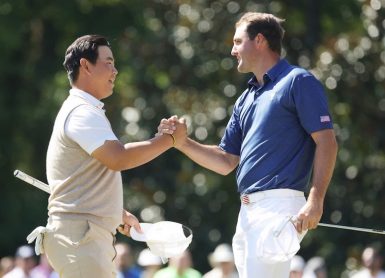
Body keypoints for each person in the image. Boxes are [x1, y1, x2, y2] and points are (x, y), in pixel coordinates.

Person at [157, 12, 338, 278]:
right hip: (248, 211)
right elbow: (226, 161)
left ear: (260, 40)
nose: (232, 50)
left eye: (238, 41)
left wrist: (316, 199)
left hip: (278, 205)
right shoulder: (246, 97)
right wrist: (181, 143)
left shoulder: (298, 81)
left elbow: (327, 143)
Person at [26, 34, 186, 278]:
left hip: (84, 237)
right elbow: (118, 158)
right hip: (81, 239)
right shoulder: (81, 112)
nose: (115, 70)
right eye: (108, 62)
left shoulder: (86, 110)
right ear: (86, 66)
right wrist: (169, 140)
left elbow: (88, 177)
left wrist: (115, 213)